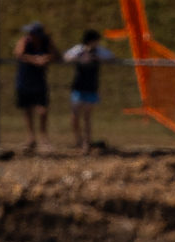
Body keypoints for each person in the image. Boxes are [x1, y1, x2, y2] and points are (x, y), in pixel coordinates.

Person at [63, 29, 116, 154]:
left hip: (91, 88)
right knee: (75, 116)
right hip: (78, 87)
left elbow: (112, 57)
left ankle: (87, 143)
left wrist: (97, 59)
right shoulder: (79, 49)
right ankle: (78, 140)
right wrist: (79, 59)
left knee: (87, 117)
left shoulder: (98, 52)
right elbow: (66, 57)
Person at [14, 21, 60, 153]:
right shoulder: (25, 41)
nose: (29, 35)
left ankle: (44, 138)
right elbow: (18, 53)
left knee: (42, 110)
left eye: (31, 33)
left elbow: (56, 55)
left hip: (39, 80)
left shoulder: (46, 41)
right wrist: (35, 60)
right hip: (24, 79)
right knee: (27, 109)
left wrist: (46, 58)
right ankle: (31, 138)